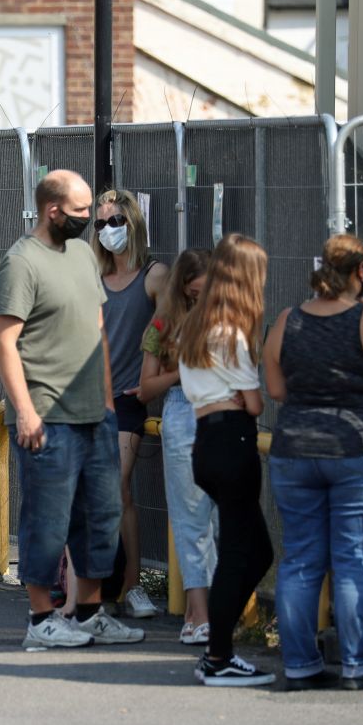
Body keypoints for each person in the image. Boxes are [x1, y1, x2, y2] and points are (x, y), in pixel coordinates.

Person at [0, 168, 145, 649]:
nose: (89, 222)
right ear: (53, 211)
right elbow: (4, 342)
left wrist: (105, 402)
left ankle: (90, 611)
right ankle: (41, 620)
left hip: (94, 414)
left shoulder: (81, 254)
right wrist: (25, 411)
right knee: (48, 518)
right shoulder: (21, 262)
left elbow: (96, 330)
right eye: (82, 213)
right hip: (47, 416)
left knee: (100, 515)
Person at [264, 234, 363, 691]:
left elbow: (275, 390)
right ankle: (358, 666)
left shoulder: (288, 320)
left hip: (295, 452)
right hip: (361, 452)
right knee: (354, 559)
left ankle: (299, 667)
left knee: (299, 561)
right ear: (361, 271)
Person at [178, 233, 274, 686]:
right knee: (241, 555)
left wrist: (240, 395)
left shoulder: (194, 326)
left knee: (255, 552)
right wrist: (243, 396)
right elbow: (254, 404)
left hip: (205, 443)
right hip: (234, 444)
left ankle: (220, 646)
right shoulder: (233, 334)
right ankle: (218, 656)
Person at [92, 189, 167, 619]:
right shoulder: (93, 277)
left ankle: (134, 585)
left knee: (118, 488)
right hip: (91, 397)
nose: (107, 230)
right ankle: (96, 587)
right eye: (100, 224)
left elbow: (176, 325)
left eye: (115, 221)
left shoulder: (155, 275)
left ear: (134, 223)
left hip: (127, 399)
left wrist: (153, 380)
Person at [139, 249, 216, 645]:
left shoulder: (227, 320)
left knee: (216, 519)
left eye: (208, 293)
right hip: (184, 414)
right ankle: (200, 614)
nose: (200, 302)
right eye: (193, 294)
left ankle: (202, 611)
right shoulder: (164, 323)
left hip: (222, 415)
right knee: (191, 521)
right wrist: (179, 372)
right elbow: (145, 387)